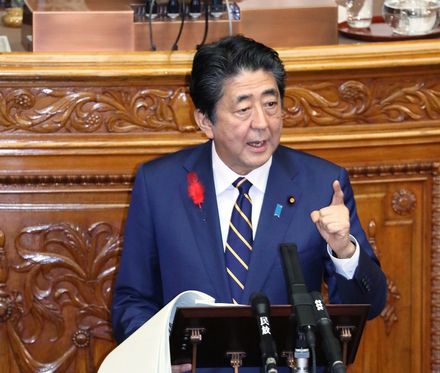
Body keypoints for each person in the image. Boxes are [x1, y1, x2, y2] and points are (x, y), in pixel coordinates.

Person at [111, 35, 387, 372]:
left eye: (270, 104)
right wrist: (161, 355)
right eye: (243, 109)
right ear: (205, 121)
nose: (262, 123)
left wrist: (345, 252)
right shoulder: (159, 185)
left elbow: (368, 307)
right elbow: (131, 302)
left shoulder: (321, 185)